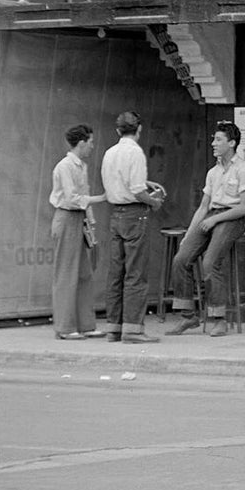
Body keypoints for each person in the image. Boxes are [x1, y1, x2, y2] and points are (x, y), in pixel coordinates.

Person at [167, 121, 245, 338]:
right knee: (181, 259)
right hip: (211, 216)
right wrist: (190, 233)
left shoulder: (244, 170)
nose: (213, 144)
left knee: (210, 262)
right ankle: (188, 315)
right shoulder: (213, 172)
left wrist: (216, 220)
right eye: (213, 139)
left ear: (232, 143)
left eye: (218, 140)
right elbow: (203, 207)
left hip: (231, 218)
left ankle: (219, 318)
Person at [100, 110, 166, 344]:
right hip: (135, 215)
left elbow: (116, 182)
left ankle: (113, 328)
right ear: (139, 129)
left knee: (116, 273)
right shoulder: (135, 153)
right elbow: (137, 190)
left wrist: (144, 185)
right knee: (136, 273)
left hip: (115, 214)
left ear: (118, 130)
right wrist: (154, 201)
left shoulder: (110, 153)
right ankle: (133, 330)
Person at [49, 124, 106, 340]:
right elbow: (73, 198)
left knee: (84, 273)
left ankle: (86, 324)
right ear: (81, 143)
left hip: (79, 219)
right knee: (66, 273)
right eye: (90, 142)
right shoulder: (65, 166)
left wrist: (91, 222)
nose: (92, 146)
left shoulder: (81, 166)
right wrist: (100, 199)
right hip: (66, 217)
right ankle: (65, 327)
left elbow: (84, 194)